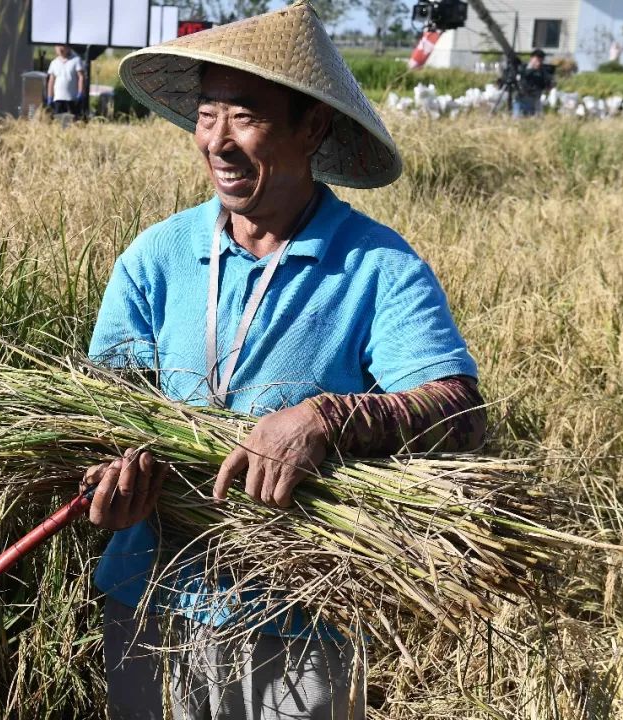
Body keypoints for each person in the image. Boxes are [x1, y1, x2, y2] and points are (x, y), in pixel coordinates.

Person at [83, 4, 486, 719]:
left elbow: (460, 411)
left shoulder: (377, 269)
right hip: (150, 599)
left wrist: (327, 417)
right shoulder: (157, 259)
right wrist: (108, 471)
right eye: (208, 115)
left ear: (312, 127)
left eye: (246, 115)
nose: (219, 140)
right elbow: (102, 407)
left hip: (301, 618)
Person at [513, 48, 554, 118]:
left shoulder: (542, 72)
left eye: (541, 60)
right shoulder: (523, 67)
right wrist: (533, 68)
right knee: (517, 122)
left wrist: (550, 84)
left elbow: (545, 86)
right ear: (531, 58)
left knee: (536, 123)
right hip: (521, 100)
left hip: (535, 101)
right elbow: (523, 75)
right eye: (537, 60)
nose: (539, 62)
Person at [46, 44, 84, 117]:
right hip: (58, 98)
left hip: (71, 98)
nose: (60, 48)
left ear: (68, 47)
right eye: (58, 46)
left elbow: (81, 77)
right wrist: (50, 96)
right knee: (58, 120)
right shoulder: (54, 63)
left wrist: (80, 93)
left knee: (72, 120)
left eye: (63, 46)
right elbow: (51, 81)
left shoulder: (76, 60)